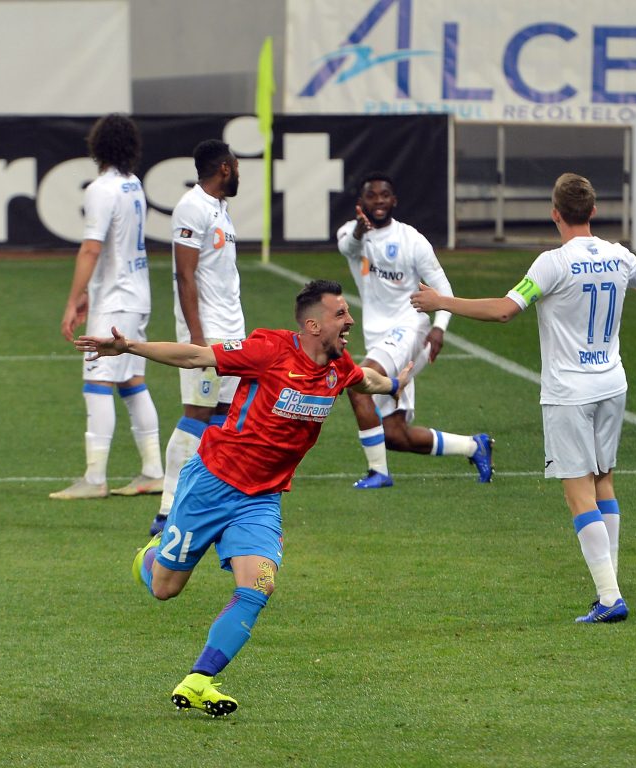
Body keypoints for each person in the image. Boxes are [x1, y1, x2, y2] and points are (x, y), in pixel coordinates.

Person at [75, 280, 413, 716]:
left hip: (261, 498)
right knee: (165, 589)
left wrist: (391, 385)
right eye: (341, 314)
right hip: (211, 484)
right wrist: (129, 348)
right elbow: (198, 356)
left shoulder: (337, 364)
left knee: (259, 585)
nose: (350, 321)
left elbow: (361, 379)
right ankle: (151, 556)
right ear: (313, 324)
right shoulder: (269, 349)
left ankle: (198, 680)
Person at [411, 173, 636, 623]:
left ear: (554, 213)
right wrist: (634, 279)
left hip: (570, 391)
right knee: (603, 478)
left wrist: (442, 302)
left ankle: (609, 597)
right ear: (593, 212)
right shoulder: (618, 255)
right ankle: (610, 588)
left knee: (577, 489)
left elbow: (506, 310)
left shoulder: (553, 263)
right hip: (612, 385)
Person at [336, 171, 492, 489]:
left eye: (384, 195)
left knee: (356, 383)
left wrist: (439, 328)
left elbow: (442, 285)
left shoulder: (412, 239)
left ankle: (378, 473)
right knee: (394, 435)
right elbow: (348, 248)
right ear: (361, 202)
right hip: (380, 337)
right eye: (372, 195)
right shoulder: (352, 235)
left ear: (394, 200)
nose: (378, 201)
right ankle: (475, 446)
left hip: (411, 327)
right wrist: (358, 232)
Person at [51, 113, 164, 500]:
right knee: (132, 381)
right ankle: (153, 471)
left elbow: (92, 247)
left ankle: (95, 478)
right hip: (135, 294)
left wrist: (73, 298)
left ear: (96, 145)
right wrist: (88, 293)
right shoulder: (133, 185)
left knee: (97, 381)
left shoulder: (101, 189)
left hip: (116, 300)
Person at [149, 139, 245, 536]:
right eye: (237, 165)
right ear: (224, 167)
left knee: (223, 416)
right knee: (197, 413)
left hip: (231, 329)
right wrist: (197, 337)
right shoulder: (191, 207)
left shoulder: (220, 209)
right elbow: (184, 275)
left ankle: (205, 499)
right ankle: (166, 510)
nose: (239, 172)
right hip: (207, 332)